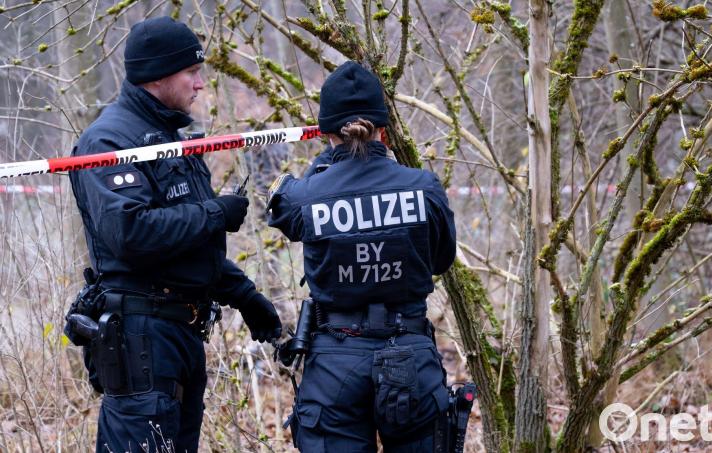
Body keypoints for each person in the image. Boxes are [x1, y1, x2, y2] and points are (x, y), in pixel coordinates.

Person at [67, 16, 282, 453]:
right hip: (142, 343)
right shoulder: (108, 141)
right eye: (192, 72)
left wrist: (244, 296)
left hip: (181, 336)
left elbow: (187, 249)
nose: (201, 84)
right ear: (159, 76)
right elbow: (131, 234)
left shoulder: (170, 138)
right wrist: (213, 212)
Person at [268, 61, 457, 452]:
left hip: (336, 358)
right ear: (384, 131)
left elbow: (283, 208)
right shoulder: (424, 187)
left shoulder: (307, 194)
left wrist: (327, 165)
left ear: (326, 133)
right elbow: (441, 260)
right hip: (410, 351)